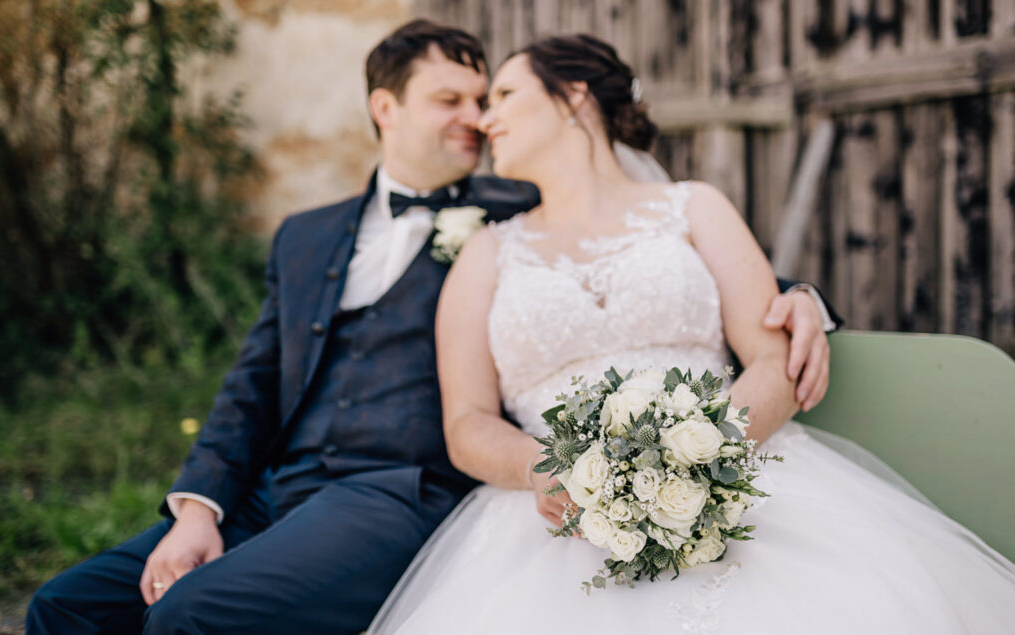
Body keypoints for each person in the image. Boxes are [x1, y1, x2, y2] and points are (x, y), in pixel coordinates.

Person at [26, 21, 836, 634]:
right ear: (386, 107)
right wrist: (199, 508)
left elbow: (661, 255)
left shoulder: (516, 209)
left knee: (192, 616)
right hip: (273, 493)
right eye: (452, 101)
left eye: (489, 100)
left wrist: (803, 298)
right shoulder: (305, 235)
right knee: (62, 610)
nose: (479, 120)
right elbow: (248, 387)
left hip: (391, 490)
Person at [367, 34, 1015, 634]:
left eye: (504, 94)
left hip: (736, 473)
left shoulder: (694, 206)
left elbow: (771, 358)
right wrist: (548, 472)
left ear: (573, 97)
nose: (485, 119)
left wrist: (696, 457)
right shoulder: (484, 253)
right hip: (550, 518)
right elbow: (468, 419)